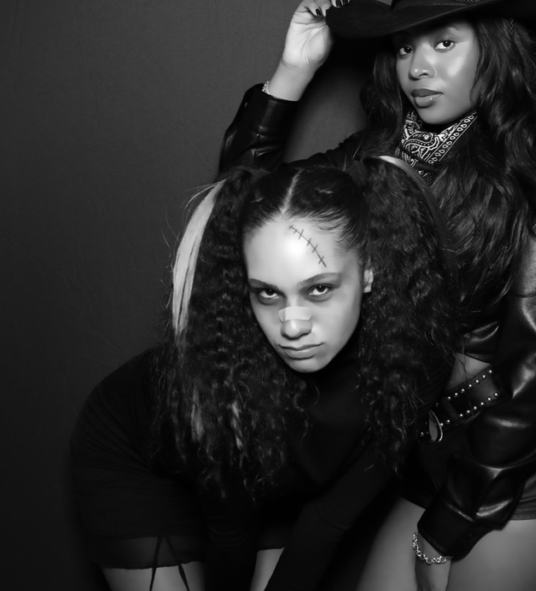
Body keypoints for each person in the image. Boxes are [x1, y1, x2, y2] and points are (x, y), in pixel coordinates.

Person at [217, 0, 536, 591]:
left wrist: (445, 528)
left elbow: (533, 391)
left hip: (522, 481)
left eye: (444, 43)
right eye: (404, 47)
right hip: (425, 466)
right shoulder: (372, 159)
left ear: (496, 48)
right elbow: (245, 209)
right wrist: (292, 73)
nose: (418, 67)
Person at [71, 160, 458, 591]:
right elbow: (231, 534)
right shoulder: (223, 374)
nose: (292, 326)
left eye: (319, 288)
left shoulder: (414, 362)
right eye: (268, 293)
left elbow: (328, 520)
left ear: (369, 269)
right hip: (137, 461)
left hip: (268, 487)